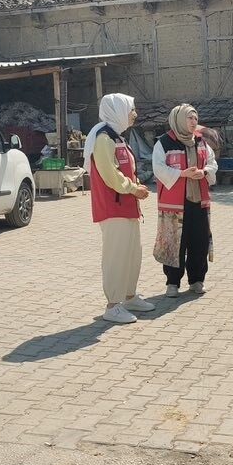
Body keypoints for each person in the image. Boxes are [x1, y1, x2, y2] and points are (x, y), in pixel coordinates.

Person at [83, 93, 154, 324]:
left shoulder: (118, 138)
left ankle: (130, 296)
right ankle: (113, 305)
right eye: (131, 109)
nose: (135, 114)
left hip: (127, 206)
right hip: (113, 207)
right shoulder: (104, 139)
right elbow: (110, 174)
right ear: (118, 111)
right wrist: (134, 189)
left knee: (132, 254)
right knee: (116, 256)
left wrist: (134, 188)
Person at [152, 103, 218, 297]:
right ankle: (172, 283)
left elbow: (212, 163)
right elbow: (158, 168)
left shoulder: (201, 142)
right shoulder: (164, 142)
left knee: (199, 241)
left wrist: (204, 171)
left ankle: (197, 280)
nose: (193, 122)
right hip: (175, 204)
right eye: (189, 118)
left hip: (199, 202)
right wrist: (182, 174)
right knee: (175, 242)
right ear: (179, 119)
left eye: (196, 118)